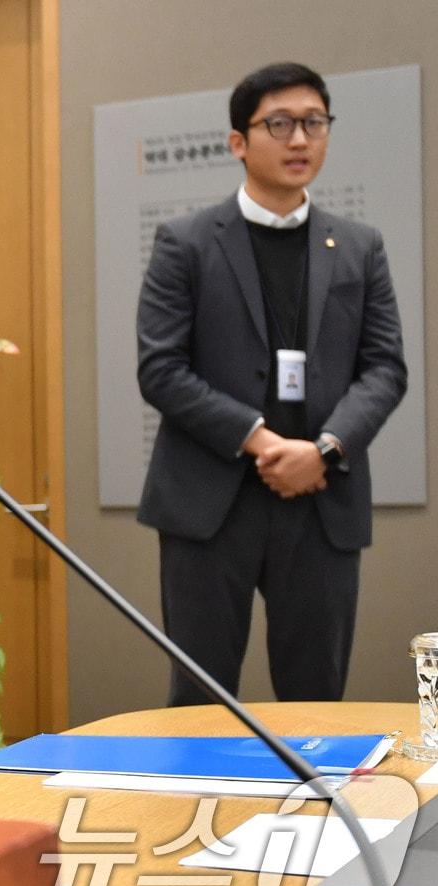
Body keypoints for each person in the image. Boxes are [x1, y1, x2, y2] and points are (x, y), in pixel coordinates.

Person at [137, 62, 406, 707]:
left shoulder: (360, 246)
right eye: (279, 124)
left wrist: (326, 448)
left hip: (321, 500)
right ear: (239, 142)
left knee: (317, 702)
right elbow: (160, 369)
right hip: (209, 503)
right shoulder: (187, 242)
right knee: (200, 704)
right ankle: (199, 812)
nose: (299, 140)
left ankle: (307, 814)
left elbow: (385, 367)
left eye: (314, 123)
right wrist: (261, 442)